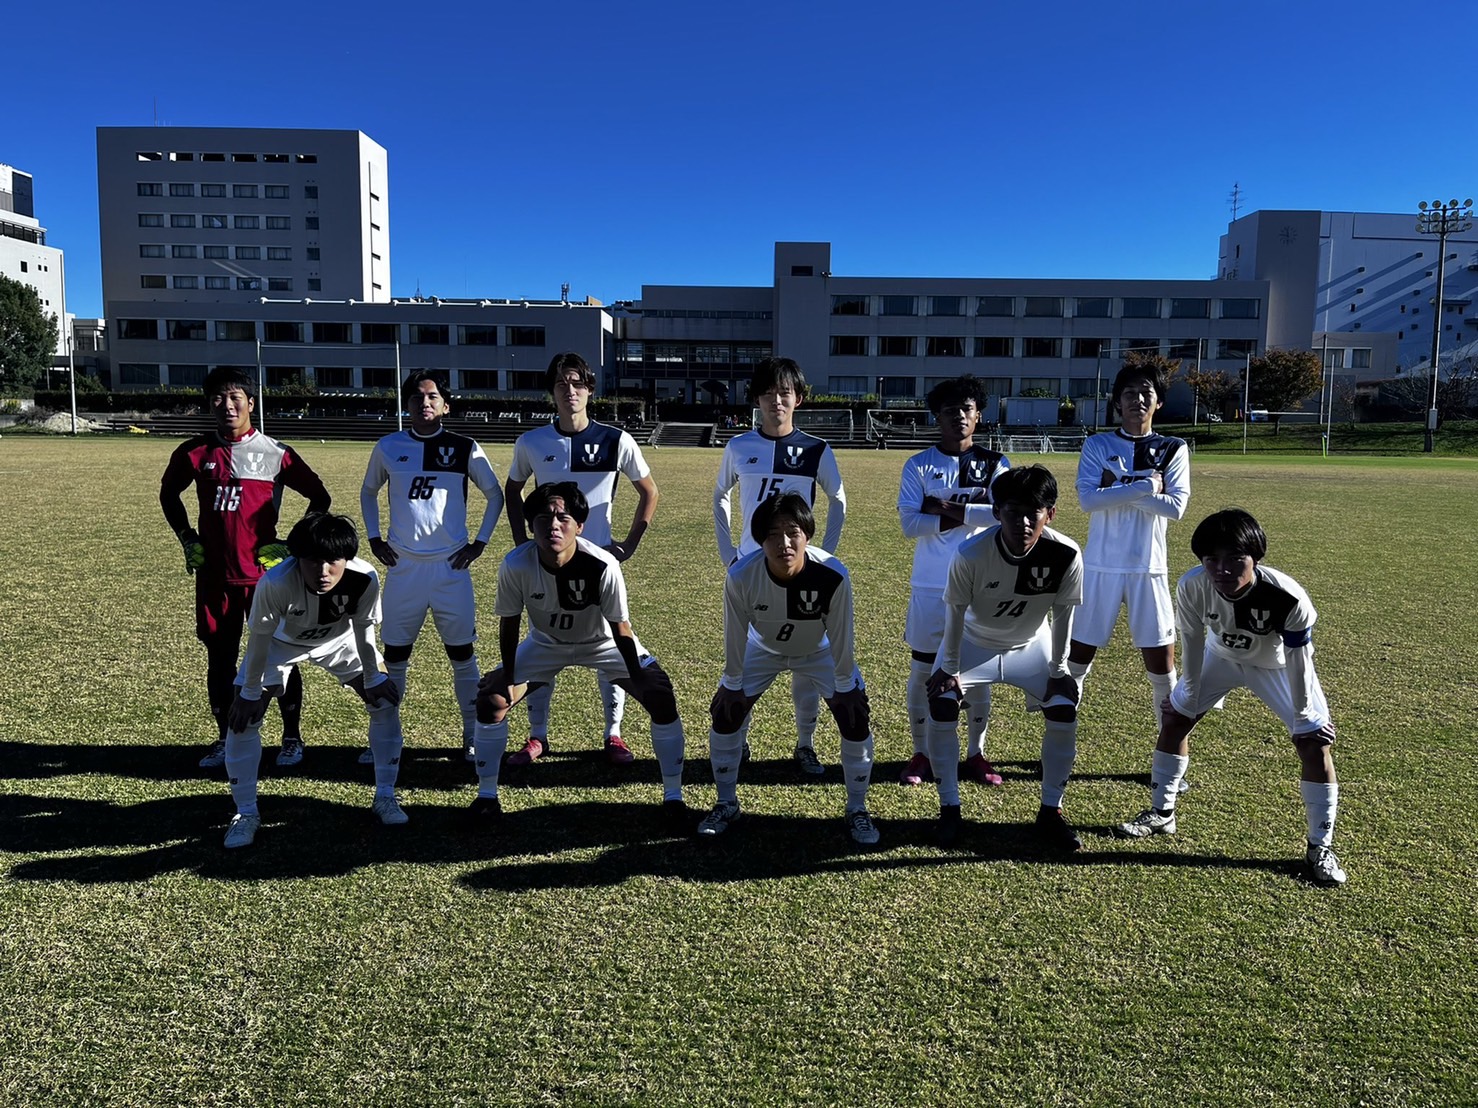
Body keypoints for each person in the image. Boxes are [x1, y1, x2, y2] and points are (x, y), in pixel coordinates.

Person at [1113, 509, 1346, 886]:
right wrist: (1188, 693)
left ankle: (1320, 846)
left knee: (1313, 743)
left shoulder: (1288, 597)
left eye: (1235, 558)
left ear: (1255, 557)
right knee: (1175, 719)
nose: (1222, 569)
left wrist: (1305, 716)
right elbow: (1191, 639)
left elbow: (1298, 658)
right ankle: (1162, 813)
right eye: (1212, 559)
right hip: (1220, 658)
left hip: (1276, 667)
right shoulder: (1192, 585)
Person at [472, 483, 687, 830]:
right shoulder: (516, 564)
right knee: (491, 700)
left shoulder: (603, 564)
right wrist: (508, 675)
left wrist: (638, 674)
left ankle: (673, 798)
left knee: (660, 696)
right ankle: (486, 798)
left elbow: (621, 628)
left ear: (580, 526)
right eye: (544, 518)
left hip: (602, 643)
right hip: (545, 644)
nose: (553, 526)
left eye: (563, 518)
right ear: (531, 526)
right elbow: (509, 624)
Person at [160, 365, 331, 771]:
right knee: (220, 659)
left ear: (251, 403)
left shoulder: (276, 452)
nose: (227, 405)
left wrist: (290, 545)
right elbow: (168, 494)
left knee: (279, 656)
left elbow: (320, 497)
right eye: (218, 398)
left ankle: (291, 737)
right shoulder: (194, 452)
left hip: (265, 579)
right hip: (215, 577)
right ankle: (225, 739)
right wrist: (187, 537)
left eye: (235, 397)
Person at [502, 353, 658, 767]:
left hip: (598, 566)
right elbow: (513, 490)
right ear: (551, 391)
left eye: (577, 383)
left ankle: (614, 733)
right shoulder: (532, 441)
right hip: (548, 562)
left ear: (590, 389)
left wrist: (629, 544)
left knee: (610, 646)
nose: (569, 391)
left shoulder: (616, 439)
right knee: (543, 643)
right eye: (561, 383)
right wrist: (523, 543)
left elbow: (649, 491)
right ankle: (537, 735)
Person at [699, 492, 878, 845]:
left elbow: (842, 637)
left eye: (792, 532)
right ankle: (726, 802)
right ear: (759, 540)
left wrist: (846, 685)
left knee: (854, 717)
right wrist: (732, 683)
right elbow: (734, 635)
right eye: (772, 534)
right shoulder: (741, 576)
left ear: (807, 535)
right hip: (762, 649)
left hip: (819, 651)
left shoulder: (833, 574)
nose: (783, 543)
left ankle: (857, 808)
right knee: (725, 713)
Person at [221, 513, 404, 848]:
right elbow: (259, 641)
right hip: (280, 644)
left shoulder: (365, 577)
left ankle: (385, 796)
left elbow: (364, 631)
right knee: (243, 718)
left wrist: (373, 677)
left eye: (333, 561)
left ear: (347, 558)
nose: (323, 571)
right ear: (296, 558)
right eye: (312, 561)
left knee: (385, 701)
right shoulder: (275, 583)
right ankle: (245, 813)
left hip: (339, 641)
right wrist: (249, 692)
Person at [925, 466, 1084, 850]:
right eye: (1013, 512)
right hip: (973, 644)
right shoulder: (970, 553)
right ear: (997, 512)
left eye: (1034, 513)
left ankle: (1051, 811)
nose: (1023, 523)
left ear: (1050, 514)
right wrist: (949, 668)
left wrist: (1060, 670)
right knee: (941, 705)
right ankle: (949, 809)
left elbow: (1064, 614)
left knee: (1064, 710)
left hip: (1031, 645)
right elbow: (955, 613)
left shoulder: (1066, 553)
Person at [359, 371, 504, 764]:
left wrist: (478, 544)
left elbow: (494, 495)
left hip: (450, 570)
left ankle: (472, 735)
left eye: (432, 396)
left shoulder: (464, 447)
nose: (425, 402)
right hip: (404, 569)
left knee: (462, 655)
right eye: (417, 397)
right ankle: (387, 737)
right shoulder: (389, 446)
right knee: (395, 656)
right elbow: (368, 491)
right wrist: (374, 537)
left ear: (446, 405)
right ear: (407, 403)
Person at [713, 356, 847, 775]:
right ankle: (741, 741)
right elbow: (719, 496)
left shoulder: (816, 449)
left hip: (798, 567)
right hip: (754, 571)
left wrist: (823, 555)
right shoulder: (739, 446)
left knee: (806, 652)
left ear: (798, 399)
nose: (777, 401)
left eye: (785, 393)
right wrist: (729, 553)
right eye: (768, 393)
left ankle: (805, 744)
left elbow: (838, 500)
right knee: (744, 656)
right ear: (756, 399)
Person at [896, 375, 1010, 788]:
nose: (959, 416)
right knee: (922, 671)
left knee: (977, 672)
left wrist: (943, 507)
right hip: (931, 584)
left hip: (983, 583)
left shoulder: (997, 464)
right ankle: (921, 753)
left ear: (978, 415)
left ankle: (976, 753)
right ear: (937, 417)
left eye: (967, 409)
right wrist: (972, 509)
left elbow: (1003, 516)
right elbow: (910, 524)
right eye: (950, 410)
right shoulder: (918, 465)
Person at [1067, 362, 1190, 729]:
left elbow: (1175, 507)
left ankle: (1169, 749)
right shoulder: (1097, 444)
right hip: (1099, 567)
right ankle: (1061, 742)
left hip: (1148, 568)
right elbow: (1088, 501)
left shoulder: (1173, 448)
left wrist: (1115, 486)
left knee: (1162, 668)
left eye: (1146, 393)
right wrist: (1147, 486)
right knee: (1076, 662)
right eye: (1129, 393)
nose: (1138, 400)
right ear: (1117, 403)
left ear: (1159, 401)